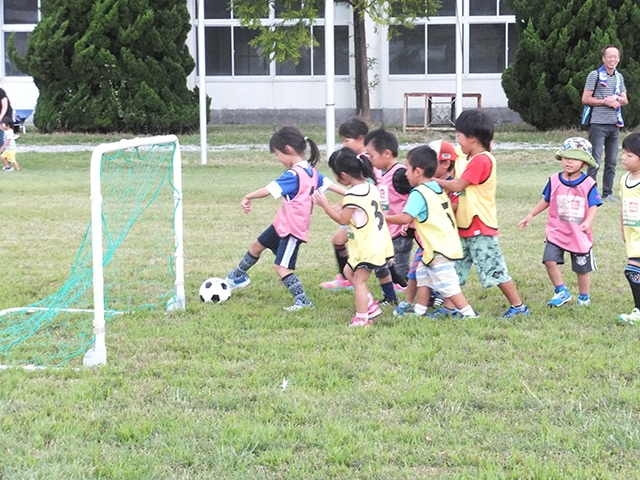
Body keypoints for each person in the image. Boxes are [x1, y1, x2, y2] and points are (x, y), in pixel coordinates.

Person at [225, 126, 345, 311]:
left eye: (277, 154)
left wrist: (248, 196)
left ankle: (303, 301)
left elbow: (268, 190)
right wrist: (355, 194)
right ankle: (236, 277)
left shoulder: (293, 175)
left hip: (292, 230)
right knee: (256, 246)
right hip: (281, 223)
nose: (278, 159)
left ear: (288, 149)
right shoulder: (312, 172)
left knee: (281, 267)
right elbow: (332, 186)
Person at [434, 109, 530, 318]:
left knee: (494, 268)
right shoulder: (468, 156)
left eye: (459, 136)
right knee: (456, 269)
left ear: (473, 138)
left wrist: (429, 182)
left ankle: (518, 307)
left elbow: (458, 184)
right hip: (465, 225)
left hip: (480, 226)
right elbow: (451, 153)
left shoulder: (482, 160)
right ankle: (449, 308)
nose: (457, 141)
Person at [386, 145, 477, 318]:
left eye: (408, 169)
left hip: (439, 249)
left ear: (418, 171)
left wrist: (384, 217)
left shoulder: (418, 193)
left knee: (448, 285)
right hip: (442, 245)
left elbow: (405, 217)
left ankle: (469, 314)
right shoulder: (436, 189)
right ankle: (419, 310)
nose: (405, 173)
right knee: (422, 274)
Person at [320, 118, 401, 305]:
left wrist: (328, 206)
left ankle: (366, 311)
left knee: (362, 277)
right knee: (376, 265)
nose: (344, 144)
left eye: (346, 140)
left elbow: (350, 206)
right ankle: (386, 294)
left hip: (367, 234)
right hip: (375, 232)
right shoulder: (363, 171)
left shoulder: (364, 167)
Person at [313, 147, 394, 327]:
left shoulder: (352, 195)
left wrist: (325, 205)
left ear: (343, 175)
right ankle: (370, 306)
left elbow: (342, 218)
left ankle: (362, 318)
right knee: (349, 272)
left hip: (367, 247)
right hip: (377, 242)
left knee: (359, 281)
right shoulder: (370, 187)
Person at [518, 137, 601, 307]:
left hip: (579, 234)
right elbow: (546, 200)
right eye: (566, 157)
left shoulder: (588, 183)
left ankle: (584, 297)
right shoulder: (554, 180)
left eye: (575, 158)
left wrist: (588, 221)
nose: (569, 161)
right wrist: (530, 214)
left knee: (582, 268)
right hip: (556, 232)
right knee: (549, 260)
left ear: (584, 163)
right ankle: (561, 291)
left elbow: (594, 205)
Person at [394, 140, 457, 317]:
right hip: (426, 241)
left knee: (442, 279)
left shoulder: (448, 186)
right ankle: (411, 304)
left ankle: (462, 310)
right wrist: (410, 222)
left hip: (439, 242)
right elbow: (418, 212)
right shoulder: (427, 187)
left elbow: (442, 210)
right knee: (416, 273)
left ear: (444, 163)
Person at [364, 127, 413, 282]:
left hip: (401, 231)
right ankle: (394, 292)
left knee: (401, 267)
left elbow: (417, 195)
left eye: (372, 156)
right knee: (380, 261)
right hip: (388, 229)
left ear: (387, 153)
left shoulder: (400, 174)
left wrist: (409, 220)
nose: (371, 160)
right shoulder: (383, 173)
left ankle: (419, 292)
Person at [582, 44, 629, 202]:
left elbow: (625, 100)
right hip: (598, 124)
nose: (613, 59)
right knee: (594, 160)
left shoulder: (619, 77)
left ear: (619, 59)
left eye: (615, 57)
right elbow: (586, 98)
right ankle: (590, 192)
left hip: (614, 124)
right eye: (609, 56)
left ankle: (607, 193)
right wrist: (605, 102)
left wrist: (615, 98)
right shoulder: (594, 75)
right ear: (603, 58)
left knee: (612, 161)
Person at [617, 133, 640, 325]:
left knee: (632, 269)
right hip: (633, 236)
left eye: (630, 155)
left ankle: (638, 310)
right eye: (623, 153)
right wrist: (622, 227)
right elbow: (623, 205)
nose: (624, 157)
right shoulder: (624, 179)